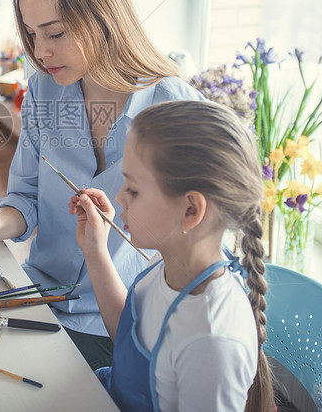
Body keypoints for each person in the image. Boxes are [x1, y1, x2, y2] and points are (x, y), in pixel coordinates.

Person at [0, 0, 203, 370]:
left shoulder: (176, 108)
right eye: (32, 34)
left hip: (126, 325)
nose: (41, 52)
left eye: (55, 33)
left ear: (104, 19)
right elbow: (25, 199)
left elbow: (198, 246)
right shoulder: (42, 90)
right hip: (39, 298)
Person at [69, 100, 273, 412]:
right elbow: (131, 336)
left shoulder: (211, 341)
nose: (120, 196)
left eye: (134, 190)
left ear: (190, 210)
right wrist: (95, 249)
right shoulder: (169, 260)